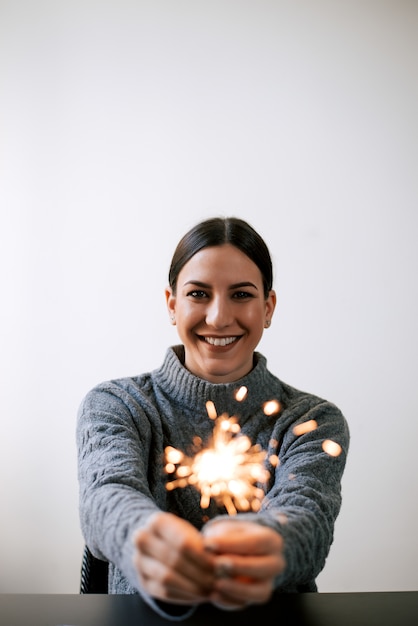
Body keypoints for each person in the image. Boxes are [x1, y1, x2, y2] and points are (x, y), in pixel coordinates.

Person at [77, 216, 349, 620]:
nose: (219, 317)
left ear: (268, 307)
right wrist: (143, 537)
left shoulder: (312, 420)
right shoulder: (117, 403)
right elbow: (106, 496)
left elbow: (308, 519)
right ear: (172, 305)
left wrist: (272, 544)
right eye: (199, 294)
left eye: (241, 294)